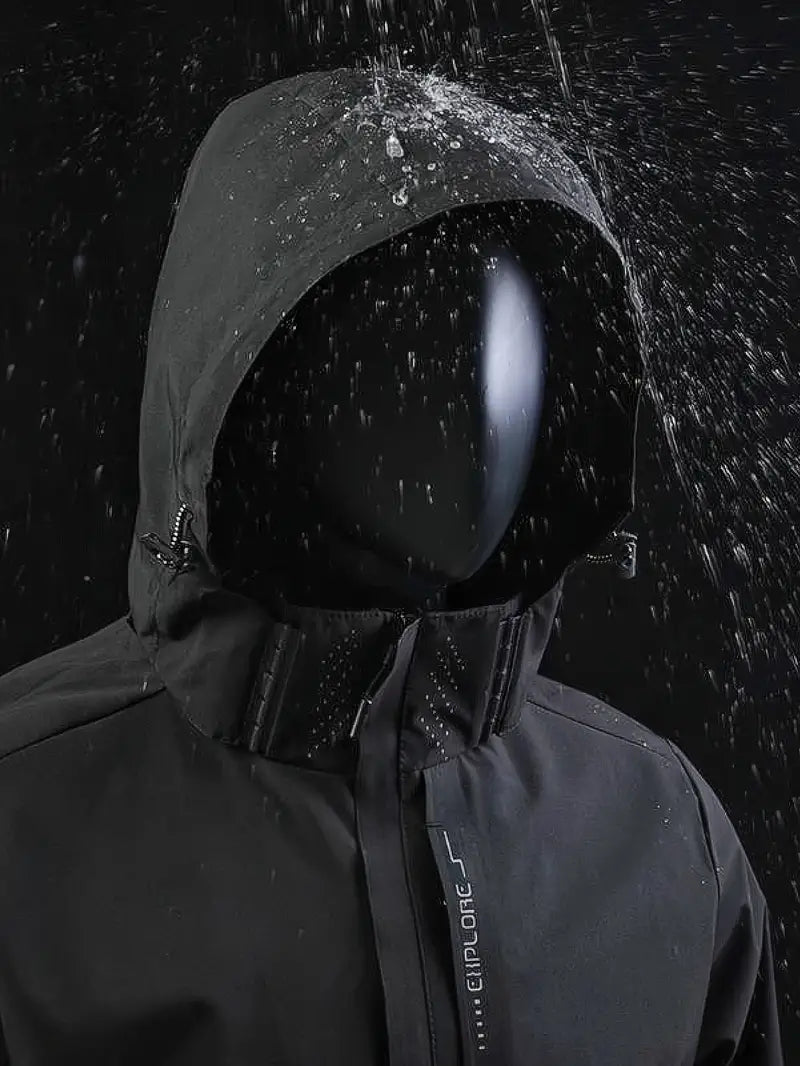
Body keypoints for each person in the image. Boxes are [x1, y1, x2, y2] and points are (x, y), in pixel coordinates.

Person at [0, 66, 784, 1065]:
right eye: (401, 349)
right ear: (257, 382)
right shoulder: (24, 831)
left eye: (507, 354)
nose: (472, 416)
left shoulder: (663, 833)